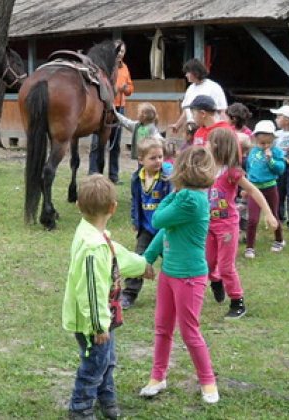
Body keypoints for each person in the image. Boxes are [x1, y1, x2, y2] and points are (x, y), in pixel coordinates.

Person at [63, 174, 151, 420]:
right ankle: (80, 408)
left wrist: (142, 265)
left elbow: (117, 255)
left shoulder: (95, 237)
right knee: (94, 364)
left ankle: (106, 397)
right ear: (113, 208)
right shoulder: (92, 246)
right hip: (93, 322)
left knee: (107, 360)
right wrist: (99, 326)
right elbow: (90, 290)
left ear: (78, 206)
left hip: (102, 317)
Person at [139, 146, 219, 404]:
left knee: (189, 331)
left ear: (182, 171)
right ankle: (157, 376)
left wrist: (171, 194)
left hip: (189, 277)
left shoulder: (190, 200)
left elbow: (159, 220)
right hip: (169, 274)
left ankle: (208, 381)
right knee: (163, 327)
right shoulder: (184, 197)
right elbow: (166, 231)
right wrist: (148, 258)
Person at [206, 129, 279, 319]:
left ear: (216, 146)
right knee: (207, 263)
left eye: (208, 142)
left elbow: (254, 191)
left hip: (227, 226)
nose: (205, 145)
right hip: (207, 225)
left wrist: (269, 214)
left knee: (226, 266)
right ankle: (216, 281)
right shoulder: (205, 168)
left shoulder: (232, 172)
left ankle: (237, 302)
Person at [123, 137, 172, 309]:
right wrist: (135, 220)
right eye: (153, 158)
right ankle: (129, 293)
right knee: (139, 259)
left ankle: (176, 292)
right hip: (146, 228)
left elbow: (173, 200)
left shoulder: (167, 177)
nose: (158, 161)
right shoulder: (137, 178)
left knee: (172, 261)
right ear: (141, 160)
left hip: (165, 230)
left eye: (160, 157)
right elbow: (135, 199)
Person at [89, 42, 134, 184]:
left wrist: (126, 89)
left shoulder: (125, 68)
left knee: (115, 143)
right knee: (97, 143)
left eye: (122, 51)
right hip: (105, 107)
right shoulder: (104, 66)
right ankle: (93, 173)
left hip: (119, 107)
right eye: (117, 50)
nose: (119, 53)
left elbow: (131, 88)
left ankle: (113, 175)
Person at [245, 121, 286, 258]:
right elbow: (250, 169)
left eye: (269, 142)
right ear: (256, 140)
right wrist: (247, 186)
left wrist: (271, 161)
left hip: (270, 188)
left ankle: (279, 240)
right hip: (254, 189)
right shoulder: (253, 152)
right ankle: (249, 247)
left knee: (273, 215)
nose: (266, 146)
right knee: (253, 219)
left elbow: (280, 169)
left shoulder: (276, 152)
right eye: (262, 143)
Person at [168, 58, 228, 136]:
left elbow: (221, 111)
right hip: (192, 129)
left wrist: (225, 131)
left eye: (188, 72)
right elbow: (186, 111)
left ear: (195, 73)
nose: (186, 75)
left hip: (209, 129)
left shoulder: (214, 87)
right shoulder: (190, 88)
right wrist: (177, 125)